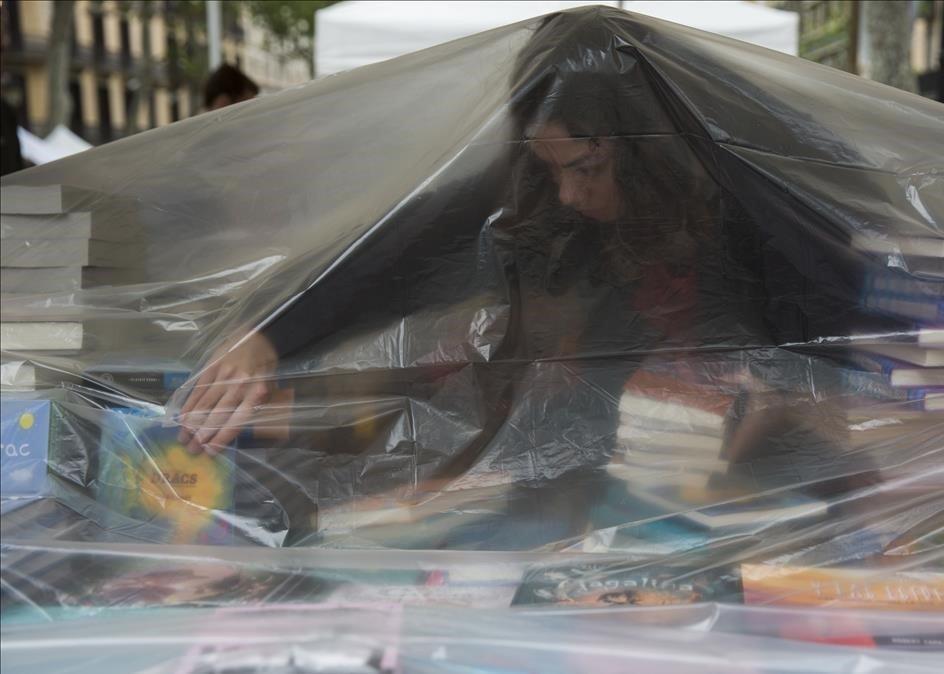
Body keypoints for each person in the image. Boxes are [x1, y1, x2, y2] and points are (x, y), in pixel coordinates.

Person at [175, 11, 839, 470]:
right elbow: (403, 248)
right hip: (629, 472)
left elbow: (857, 347)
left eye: (585, 169)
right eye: (550, 171)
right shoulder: (547, 193)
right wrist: (268, 339)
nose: (569, 196)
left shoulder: (753, 192)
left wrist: (800, 401)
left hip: (779, 478)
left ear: (646, 147)